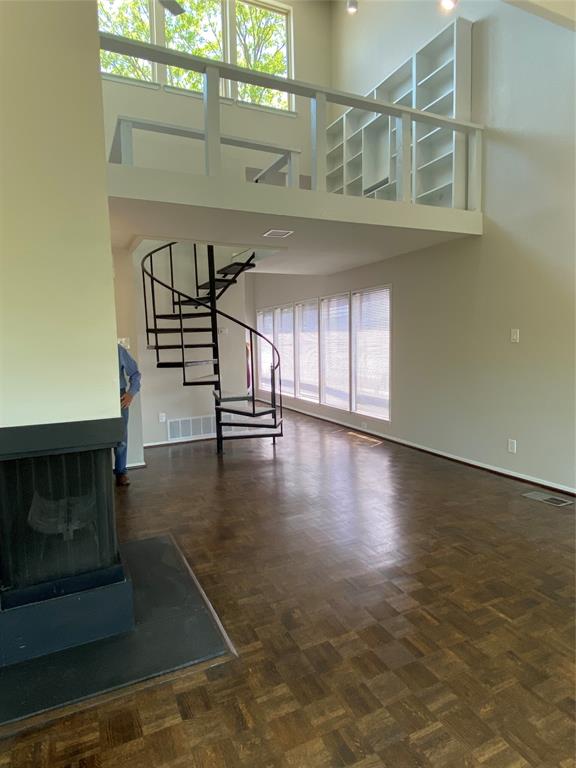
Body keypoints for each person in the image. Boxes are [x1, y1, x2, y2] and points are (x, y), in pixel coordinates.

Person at [115, 343, 141, 487]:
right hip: (96, 394)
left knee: (121, 437)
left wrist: (131, 393)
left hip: (119, 395)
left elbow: (135, 373)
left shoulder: (118, 350)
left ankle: (120, 472)